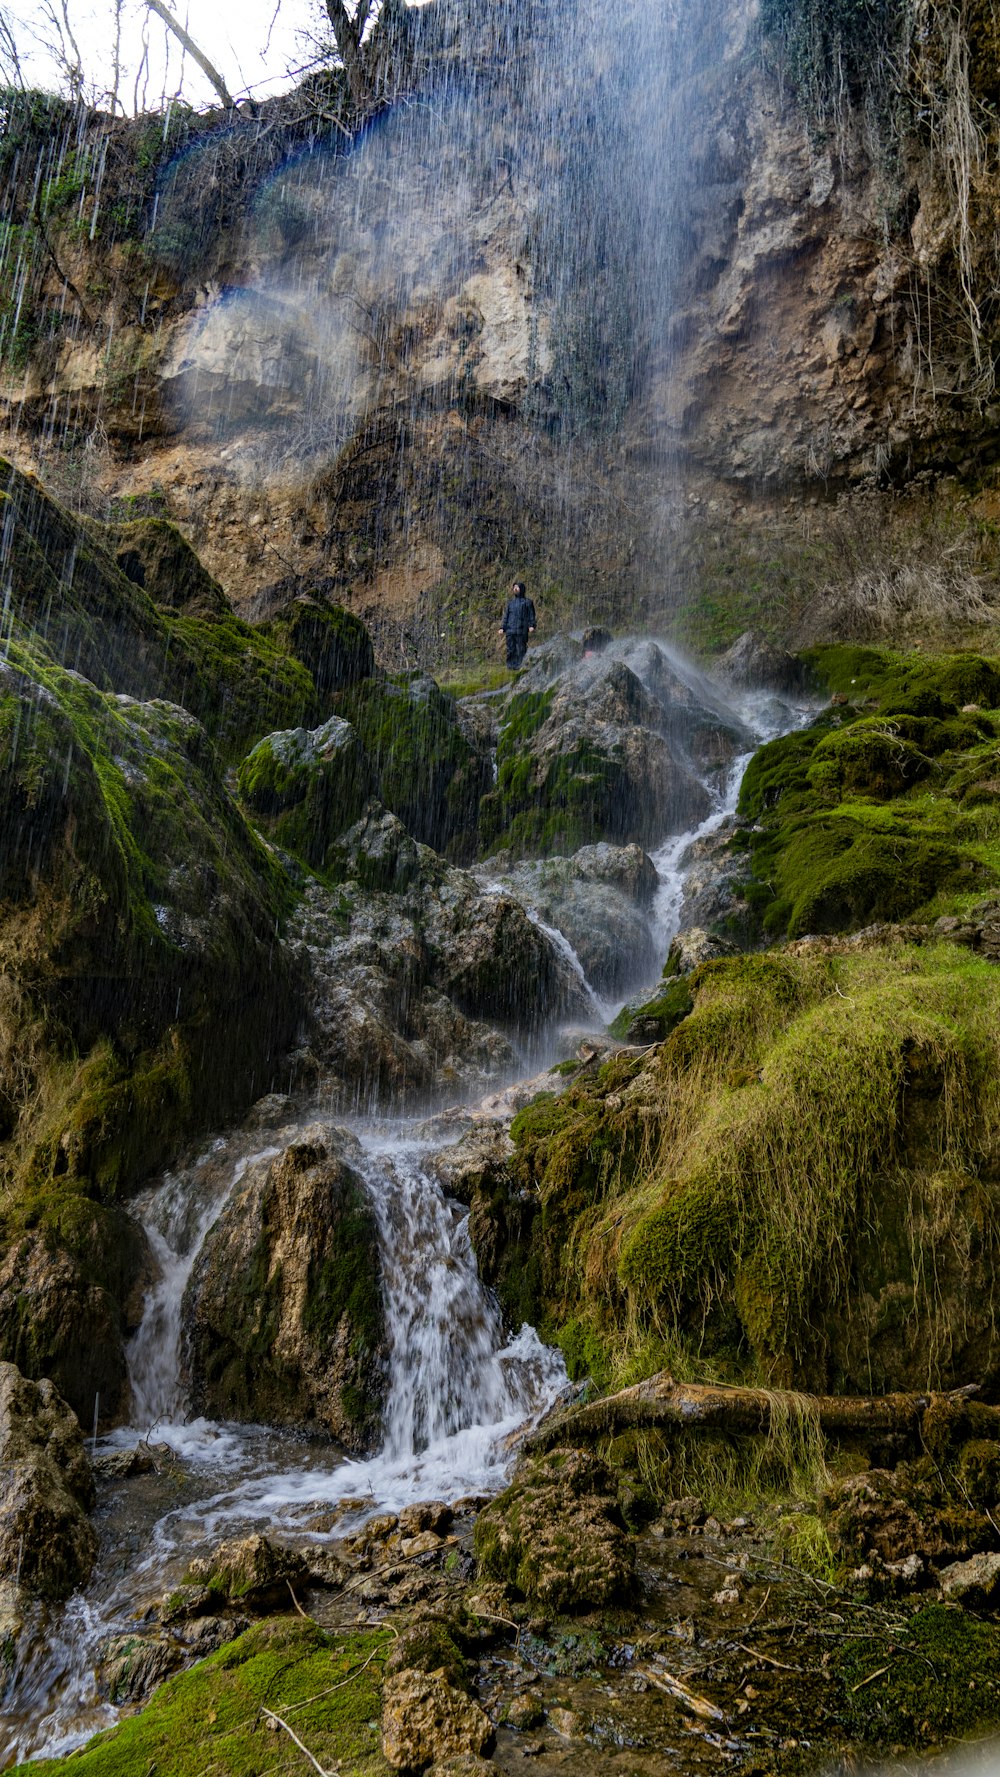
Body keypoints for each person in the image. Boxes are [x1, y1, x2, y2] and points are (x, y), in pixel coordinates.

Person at [499, 580, 536, 669]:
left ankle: (520, 665)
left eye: (517, 587)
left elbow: (532, 615)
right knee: (510, 649)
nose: (515, 589)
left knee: (521, 648)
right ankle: (510, 666)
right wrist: (503, 628)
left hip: (522, 629)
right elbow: (506, 616)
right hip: (510, 630)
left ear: (522, 589)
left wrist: (532, 625)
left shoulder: (528, 602)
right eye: (514, 587)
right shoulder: (510, 603)